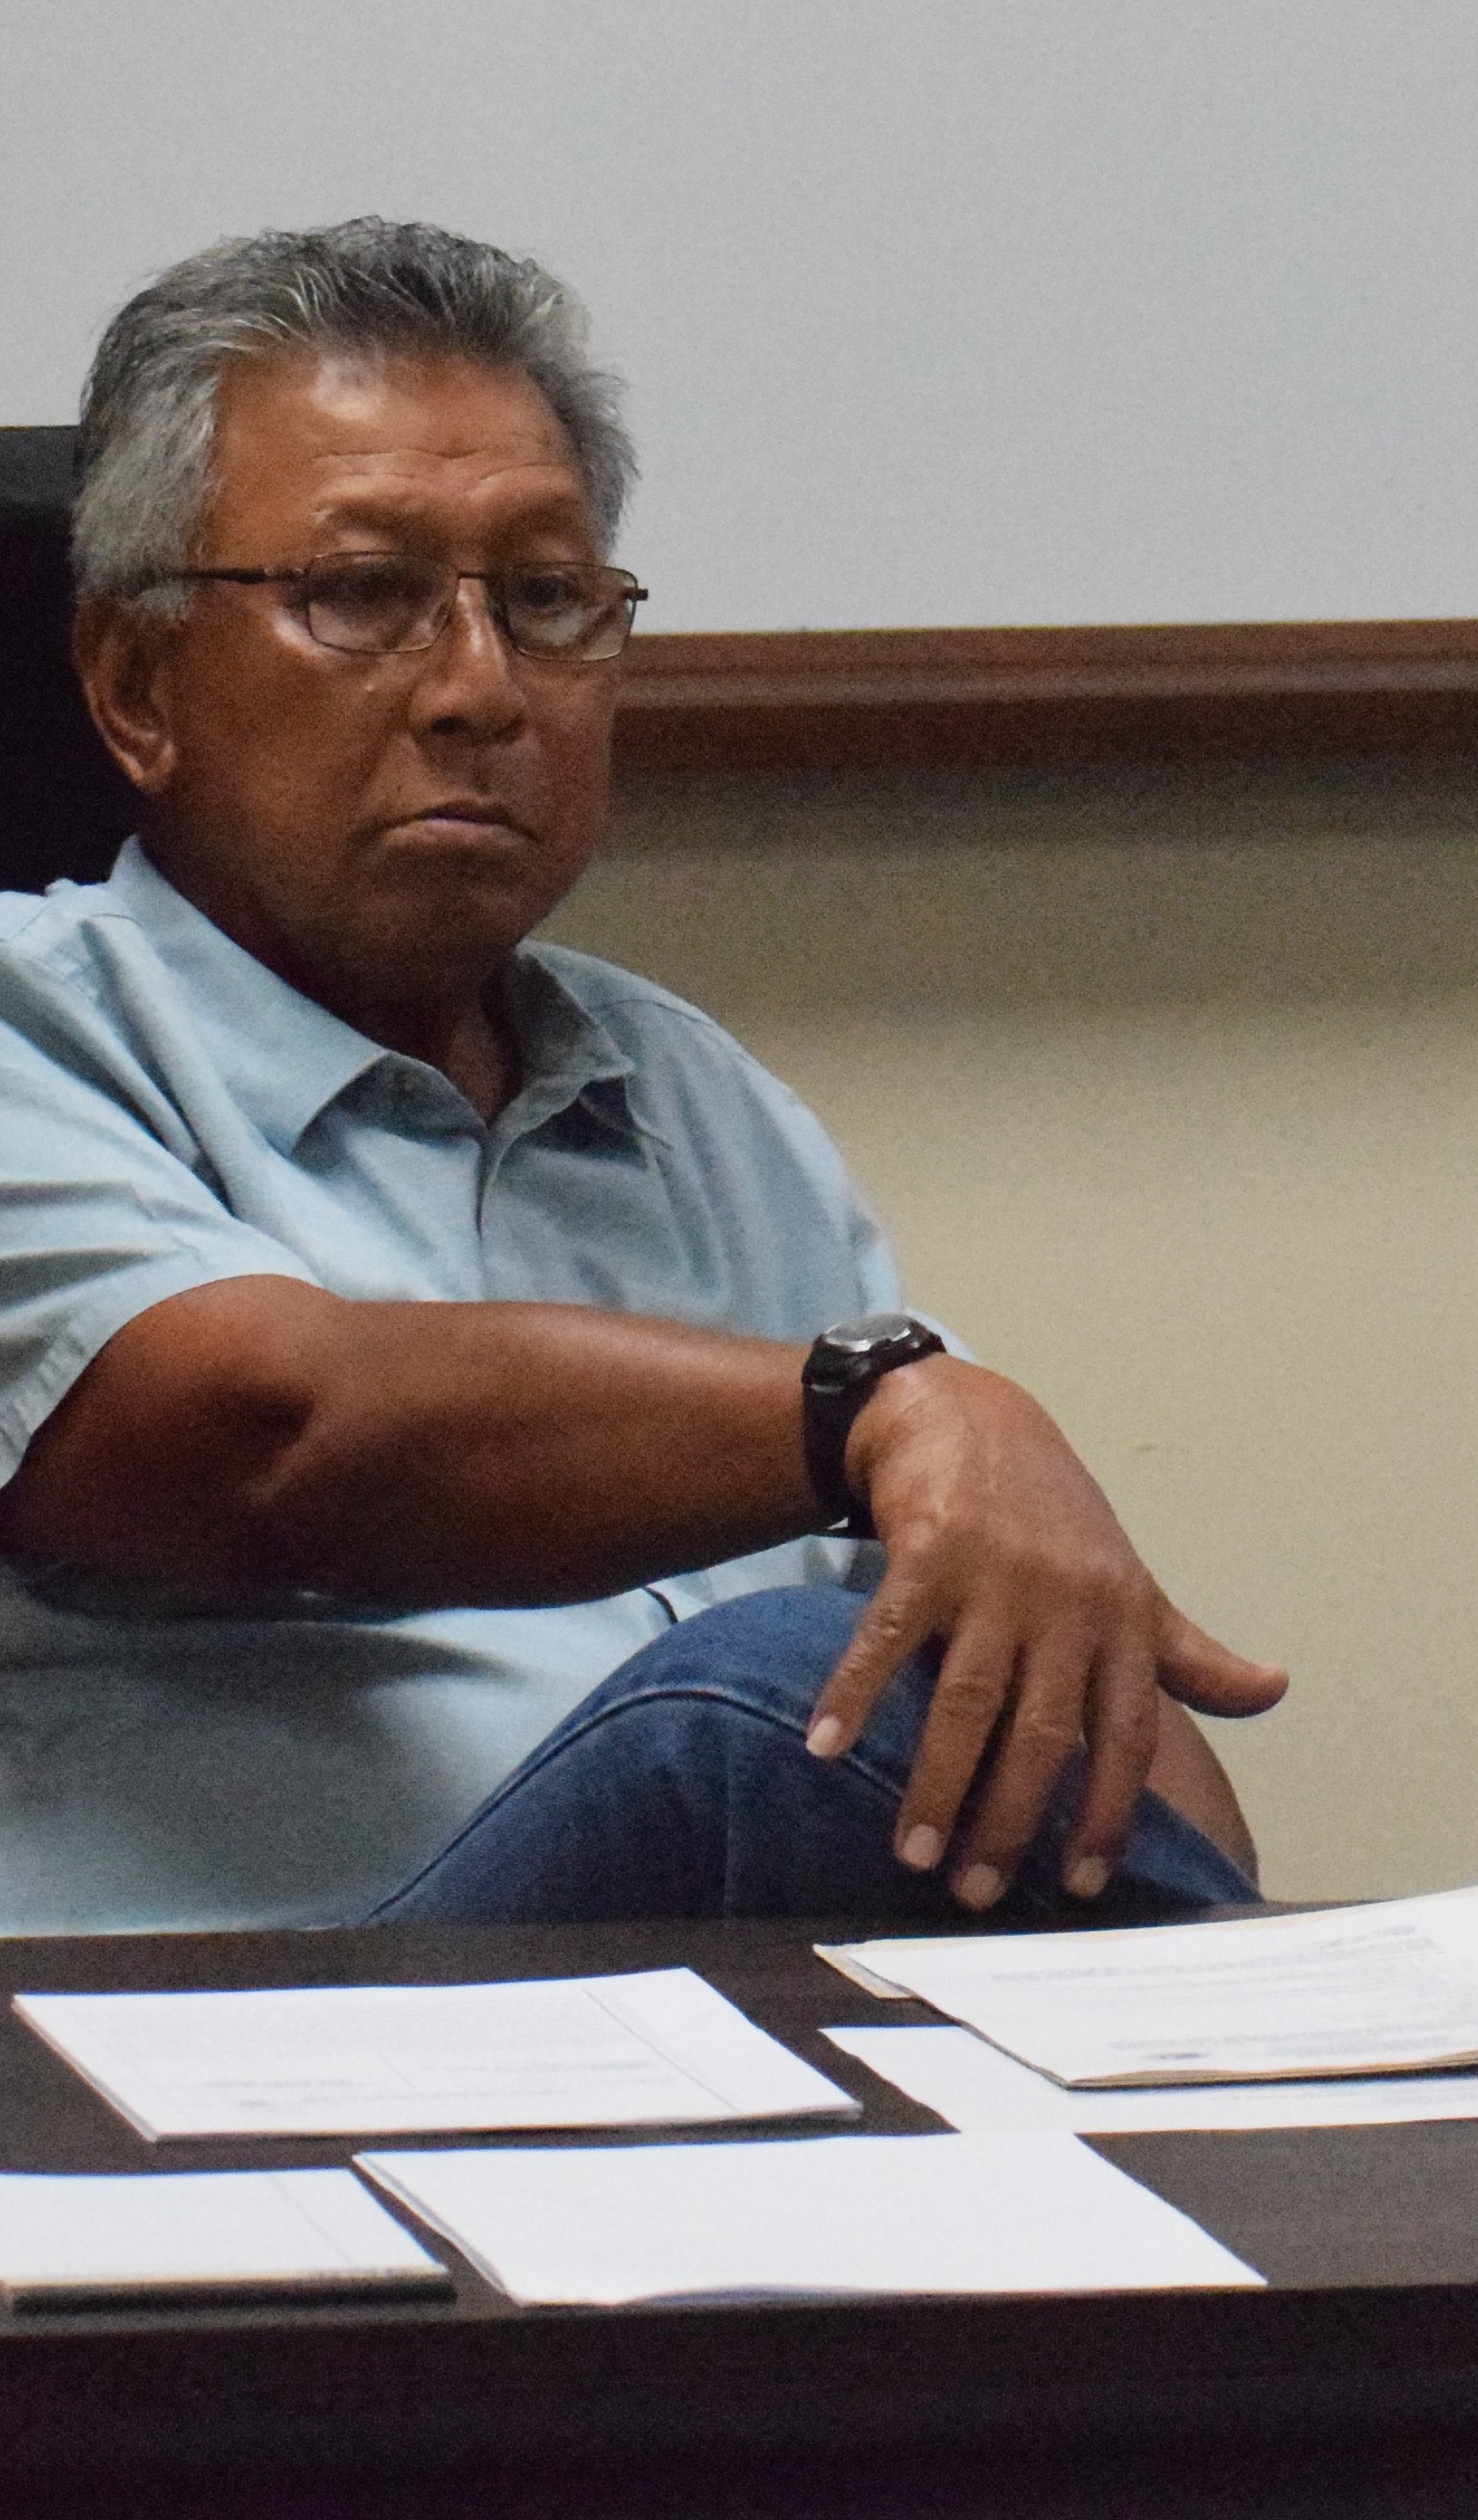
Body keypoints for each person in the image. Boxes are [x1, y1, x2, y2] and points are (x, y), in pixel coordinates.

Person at [0, 220, 1281, 1931]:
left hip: (714, 2044)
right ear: (135, 685)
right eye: (363, 594)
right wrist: (867, 1407)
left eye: (545, 600)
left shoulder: (693, 1101)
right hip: (224, 2043)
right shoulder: (33, 1029)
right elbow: (266, 1432)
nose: (479, 688)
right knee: (751, 1712)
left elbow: (1052, 1691)